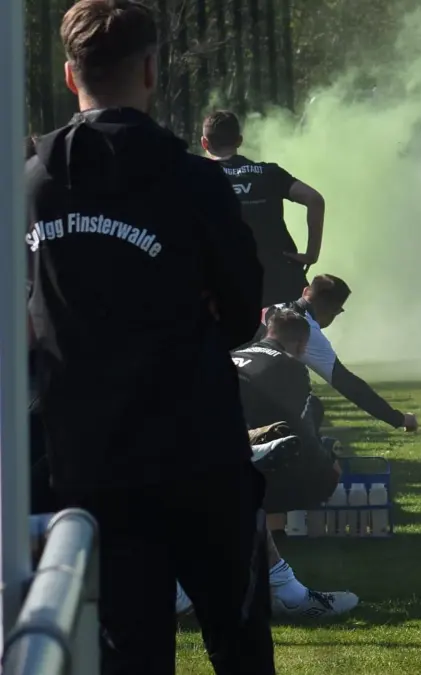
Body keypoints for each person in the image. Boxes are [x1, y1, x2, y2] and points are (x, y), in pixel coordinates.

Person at [25, 1, 275, 673]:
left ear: (71, 76)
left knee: (131, 655)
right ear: (150, 69)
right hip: (200, 454)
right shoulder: (193, 181)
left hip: (93, 466)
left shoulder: (31, 187)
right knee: (240, 643)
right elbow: (243, 313)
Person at [176, 308, 360, 619]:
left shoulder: (232, 354)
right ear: (301, 345)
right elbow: (302, 433)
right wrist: (326, 469)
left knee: (229, 487)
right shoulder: (288, 366)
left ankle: (280, 588)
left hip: (204, 448)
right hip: (217, 455)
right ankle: (282, 591)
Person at [261, 274, 419, 432]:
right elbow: (348, 384)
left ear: (305, 291)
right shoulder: (307, 331)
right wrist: (399, 419)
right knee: (311, 406)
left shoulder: (272, 308)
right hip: (251, 398)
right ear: (335, 311)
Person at [201, 110, 326, 307]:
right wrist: (312, 254)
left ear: (205, 143)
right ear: (239, 141)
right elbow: (315, 199)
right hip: (280, 279)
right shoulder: (269, 173)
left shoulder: (197, 177)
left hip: (226, 284)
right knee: (292, 335)